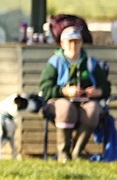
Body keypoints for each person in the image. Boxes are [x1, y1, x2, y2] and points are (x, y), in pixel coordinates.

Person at [39, 25, 111, 162]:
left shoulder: (90, 62)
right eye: (69, 42)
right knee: (66, 109)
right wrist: (64, 91)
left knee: (93, 111)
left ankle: (77, 152)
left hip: (85, 102)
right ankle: (63, 153)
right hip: (59, 102)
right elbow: (45, 89)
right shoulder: (55, 62)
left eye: (76, 42)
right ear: (62, 44)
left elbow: (106, 87)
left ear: (81, 43)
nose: (73, 45)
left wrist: (98, 91)